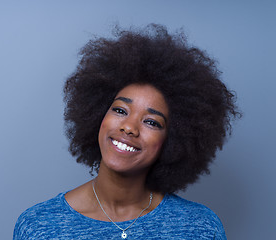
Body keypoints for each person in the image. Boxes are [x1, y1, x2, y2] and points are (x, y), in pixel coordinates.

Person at [13, 24, 240, 239]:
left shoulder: (199, 228)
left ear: (172, 141)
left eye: (151, 122)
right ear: (97, 115)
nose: (129, 127)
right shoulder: (39, 227)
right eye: (120, 110)